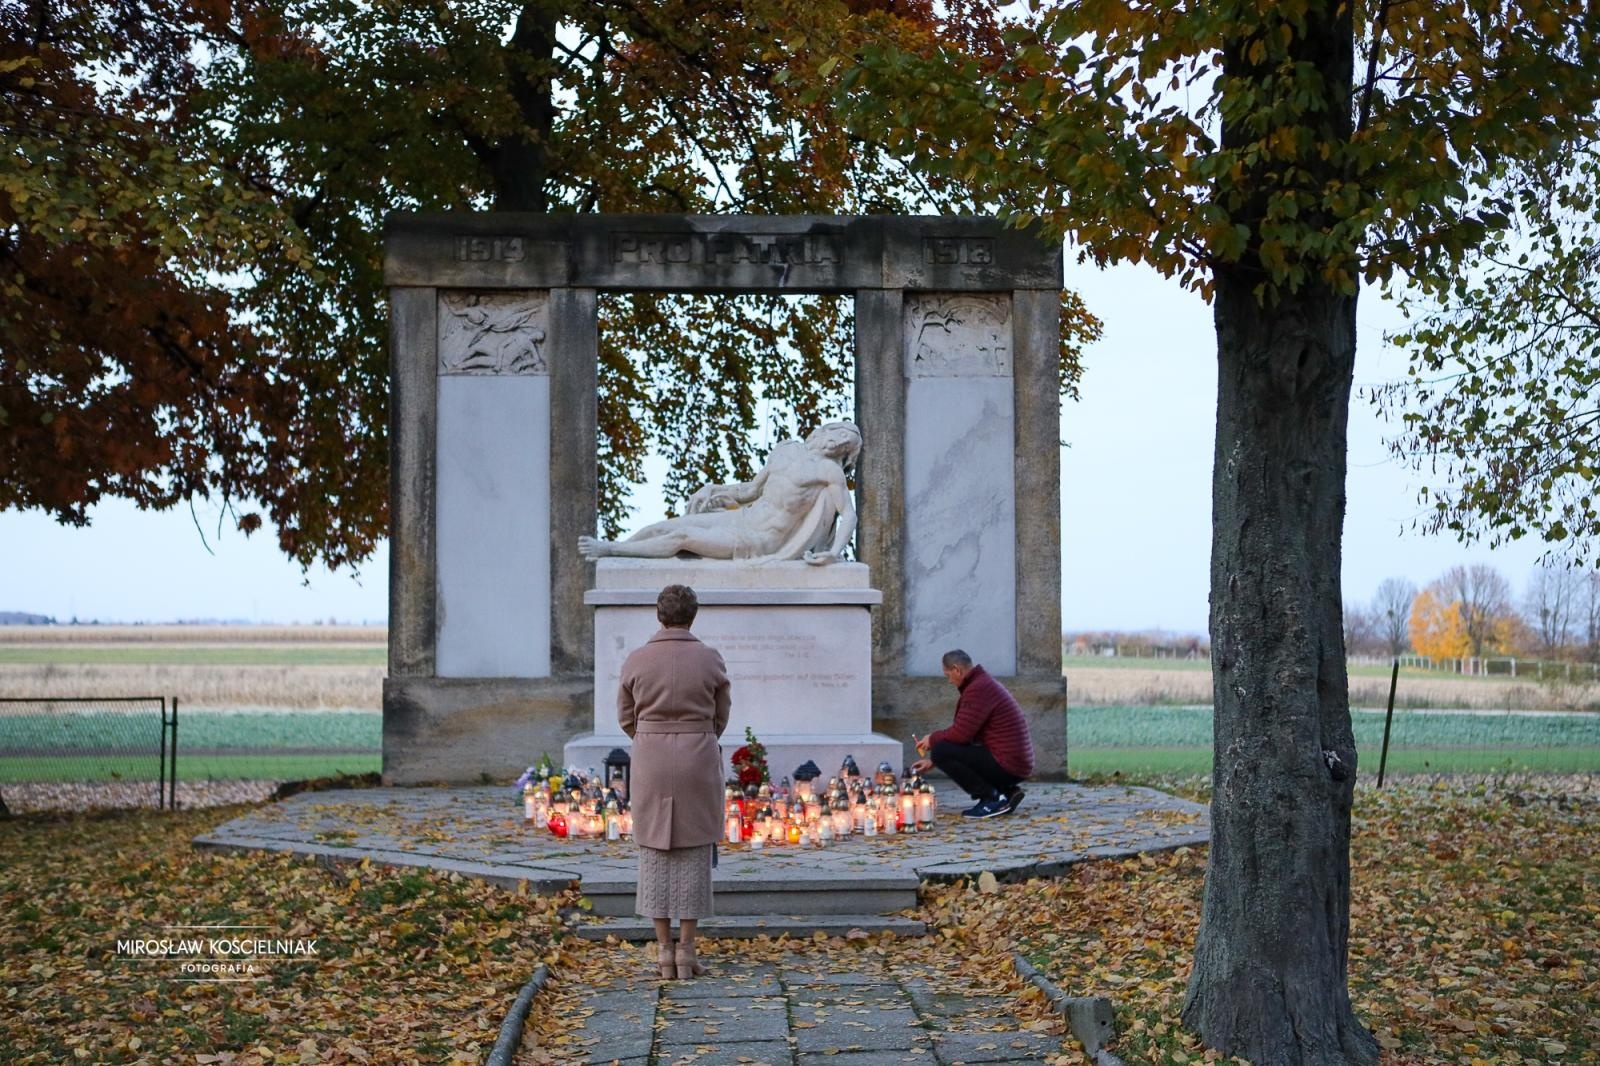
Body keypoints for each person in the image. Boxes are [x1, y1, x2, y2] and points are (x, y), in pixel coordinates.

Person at [617, 584, 730, 979]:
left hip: (650, 753)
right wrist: (698, 732)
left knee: (654, 850)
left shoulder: (637, 659)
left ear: (658, 615)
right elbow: (721, 714)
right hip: (698, 753)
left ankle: (663, 952)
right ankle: (687, 952)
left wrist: (649, 735)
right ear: (693, 615)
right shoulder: (710, 658)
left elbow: (625, 715)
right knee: (695, 851)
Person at [578, 421, 862, 564]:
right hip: (743, 518)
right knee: (660, 527)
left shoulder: (828, 472)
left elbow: (848, 515)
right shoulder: (785, 450)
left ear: (844, 455)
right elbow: (750, 489)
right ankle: (621, 557)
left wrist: (834, 553)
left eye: (844, 445)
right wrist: (713, 488)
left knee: (681, 538)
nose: (837, 443)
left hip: (760, 540)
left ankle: (610, 549)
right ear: (825, 431)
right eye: (837, 435)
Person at [910, 649, 1034, 819]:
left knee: (941, 749)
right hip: (1014, 763)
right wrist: (933, 761)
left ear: (957, 670)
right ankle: (1006, 791)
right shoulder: (982, 683)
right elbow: (968, 736)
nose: (949, 681)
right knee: (942, 751)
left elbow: (961, 735)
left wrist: (931, 739)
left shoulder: (978, 688)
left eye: (948, 675)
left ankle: (992, 798)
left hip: (1009, 765)